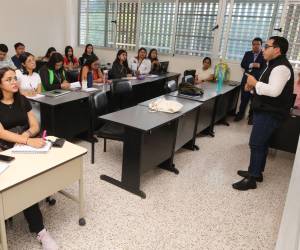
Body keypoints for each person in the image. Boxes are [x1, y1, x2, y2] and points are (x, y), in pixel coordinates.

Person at [0, 67, 58, 249]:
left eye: (15, 78)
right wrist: (26, 140)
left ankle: (40, 230)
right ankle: (41, 231)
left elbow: (35, 124)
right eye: (8, 79)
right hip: (5, 150)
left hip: (25, 146)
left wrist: (26, 137)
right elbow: (1, 133)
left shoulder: (22, 100)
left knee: (32, 182)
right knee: (23, 186)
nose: (14, 82)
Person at [232, 36, 294, 191]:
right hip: (265, 109)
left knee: (256, 143)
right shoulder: (272, 64)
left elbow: (273, 91)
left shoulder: (281, 67)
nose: (264, 49)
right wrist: (252, 88)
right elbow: (266, 86)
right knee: (262, 143)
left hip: (271, 112)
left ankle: (251, 179)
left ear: (277, 49)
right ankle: (256, 172)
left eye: (267, 46)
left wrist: (254, 83)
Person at [235, 37, 266, 124]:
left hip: (256, 82)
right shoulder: (247, 53)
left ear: (261, 45)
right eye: (254, 44)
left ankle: (251, 117)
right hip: (246, 80)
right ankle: (240, 115)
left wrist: (259, 65)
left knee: (254, 100)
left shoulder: (264, 54)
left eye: (258, 44)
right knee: (244, 99)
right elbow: (243, 64)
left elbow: (264, 68)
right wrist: (251, 65)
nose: (255, 46)